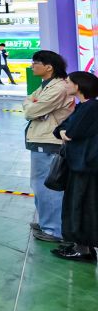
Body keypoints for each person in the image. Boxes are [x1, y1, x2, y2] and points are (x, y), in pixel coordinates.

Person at [24, 50, 74, 243]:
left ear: (49, 67)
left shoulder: (58, 88)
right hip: (41, 139)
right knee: (39, 185)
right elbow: (28, 102)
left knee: (49, 186)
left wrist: (34, 107)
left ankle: (53, 229)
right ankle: (46, 222)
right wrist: (33, 106)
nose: (32, 66)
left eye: (35, 63)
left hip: (48, 141)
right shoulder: (46, 85)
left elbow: (30, 111)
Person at [51, 71, 98, 262]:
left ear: (78, 86)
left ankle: (83, 249)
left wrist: (64, 132)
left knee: (81, 205)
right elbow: (59, 130)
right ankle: (82, 245)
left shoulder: (91, 108)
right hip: (80, 164)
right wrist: (63, 132)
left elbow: (70, 132)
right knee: (78, 204)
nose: (66, 85)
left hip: (85, 166)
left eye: (68, 82)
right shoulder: (84, 106)